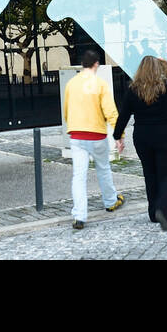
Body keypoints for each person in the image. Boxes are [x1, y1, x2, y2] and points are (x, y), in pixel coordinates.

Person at [113, 55, 167, 231]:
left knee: (150, 173)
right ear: (159, 70)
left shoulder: (133, 89)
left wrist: (117, 136)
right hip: (165, 134)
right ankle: (162, 210)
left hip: (143, 136)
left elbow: (123, 115)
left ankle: (153, 212)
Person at [62, 49, 125, 230]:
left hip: (77, 135)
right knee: (103, 168)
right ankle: (110, 201)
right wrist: (119, 136)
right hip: (97, 134)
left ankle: (79, 216)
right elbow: (111, 112)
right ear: (96, 64)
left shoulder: (71, 84)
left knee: (78, 176)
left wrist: (72, 125)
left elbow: (66, 110)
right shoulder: (100, 84)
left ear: (83, 64)